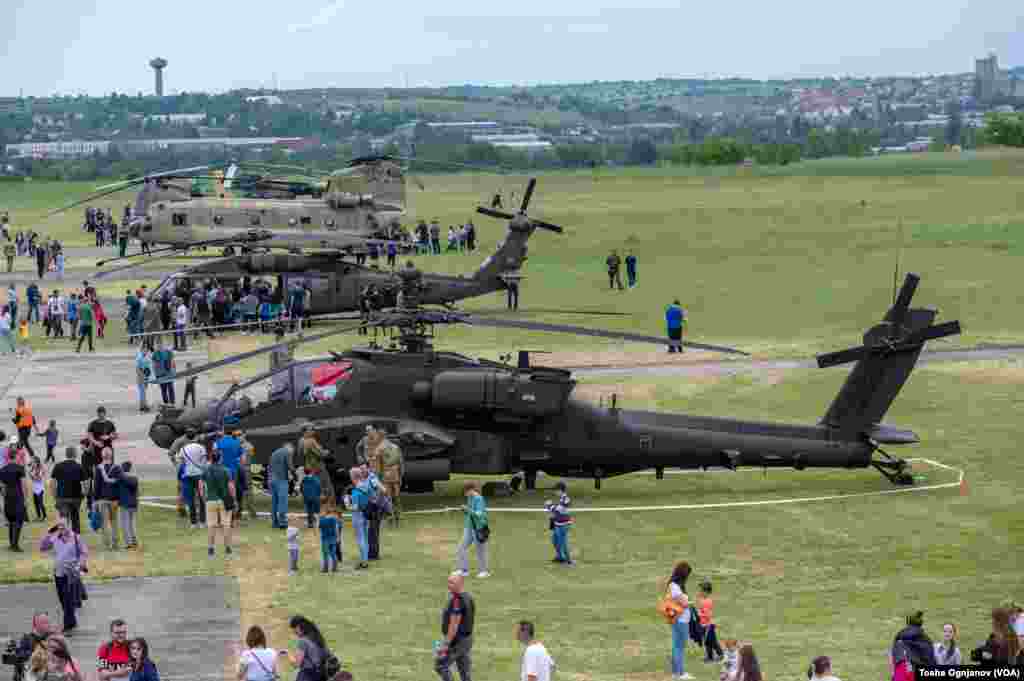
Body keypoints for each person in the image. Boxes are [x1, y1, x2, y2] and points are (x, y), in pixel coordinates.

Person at [39, 517, 88, 635]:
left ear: (69, 525)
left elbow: (84, 552)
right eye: (59, 526)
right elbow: (42, 547)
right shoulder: (55, 538)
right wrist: (49, 533)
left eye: (63, 525)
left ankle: (67, 627)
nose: (61, 528)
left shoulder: (76, 537)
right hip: (58, 573)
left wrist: (81, 564)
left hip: (71, 574)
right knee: (63, 600)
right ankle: (72, 622)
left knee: (68, 600)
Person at [436, 572, 475, 681]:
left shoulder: (457, 601)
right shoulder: (469, 597)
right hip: (467, 640)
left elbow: (454, 626)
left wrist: (445, 644)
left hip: (457, 642)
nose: (449, 585)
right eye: (448, 582)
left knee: (441, 665)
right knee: (464, 672)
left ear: (460, 583)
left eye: (452, 583)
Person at [200, 449, 235, 557]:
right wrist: (233, 498)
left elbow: (200, 485)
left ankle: (211, 548)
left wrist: (203, 497)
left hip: (210, 500)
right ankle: (228, 548)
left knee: (211, 525)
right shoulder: (226, 470)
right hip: (223, 500)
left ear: (211, 458)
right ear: (220, 459)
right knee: (226, 524)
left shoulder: (206, 470)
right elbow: (231, 487)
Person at [454, 481, 490, 578]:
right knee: (461, 547)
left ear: (471, 490)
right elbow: (471, 513)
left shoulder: (479, 499)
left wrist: (468, 510)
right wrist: (465, 511)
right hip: (469, 527)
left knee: (480, 550)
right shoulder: (470, 498)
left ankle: (484, 571)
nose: (465, 494)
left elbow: (479, 514)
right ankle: (463, 570)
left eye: (466, 492)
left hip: (478, 528)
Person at [666, 561, 693, 680]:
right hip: (680, 619)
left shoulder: (674, 585)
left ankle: (676, 672)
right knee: (679, 646)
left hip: (680, 619)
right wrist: (689, 602)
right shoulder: (675, 586)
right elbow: (683, 602)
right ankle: (680, 673)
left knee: (677, 645)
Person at [890, 611, 936, 680]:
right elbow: (930, 660)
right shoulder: (925, 640)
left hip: (900, 671)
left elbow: (893, 660)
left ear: (907, 623)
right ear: (921, 624)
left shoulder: (898, 639)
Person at [281, 616, 329, 681]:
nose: (294, 632)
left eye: (294, 629)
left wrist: (287, 653)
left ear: (298, 627)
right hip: (321, 675)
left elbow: (296, 664)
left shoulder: (303, 641)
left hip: (307, 676)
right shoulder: (317, 638)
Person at [1, 446, 30, 551]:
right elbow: (23, 484)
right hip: (18, 496)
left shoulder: (2, 469)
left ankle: (11, 544)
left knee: (11, 520)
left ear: (8, 457)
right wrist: (26, 498)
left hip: (8, 496)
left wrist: (4, 496)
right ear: (16, 456)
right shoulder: (20, 468)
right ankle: (15, 545)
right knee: (18, 521)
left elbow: (2, 487)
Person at [50, 447, 85, 535]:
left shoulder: (58, 466)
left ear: (66, 454)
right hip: (76, 497)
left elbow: (53, 482)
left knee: (63, 519)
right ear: (75, 454)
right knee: (75, 518)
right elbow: (85, 483)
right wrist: (84, 493)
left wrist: (54, 495)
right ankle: (76, 538)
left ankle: (63, 539)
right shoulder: (79, 466)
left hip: (62, 497)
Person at [92, 447, 121, 551]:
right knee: (114, 522)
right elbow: (119, 485)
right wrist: (119, 499)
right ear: (111, 455)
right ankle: (115, 543)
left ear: (102, 455)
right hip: (114, 500)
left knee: (104, 523)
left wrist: (94, 500)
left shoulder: (99, 468)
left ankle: (107, 544)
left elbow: (96, 486)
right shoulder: (117, 468)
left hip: (102, 499)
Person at [179, 437, 207, 528]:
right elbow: (204, 461)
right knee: (202, 498)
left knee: (190, 499)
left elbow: (182, 462)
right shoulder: (201, 447)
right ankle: (202, 522)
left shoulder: (183, 448)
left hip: (188, 475)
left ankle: (193, 523)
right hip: (199, 475)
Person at [543, 482, 574, 566]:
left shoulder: (566, 499)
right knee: (555, 540)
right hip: (558, 524)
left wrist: (549, 505)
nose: (555, 492)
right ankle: (560, 557)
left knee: (563, 543)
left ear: (560, 490)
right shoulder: (561, 498)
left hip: (563, 525)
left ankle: (569, 561)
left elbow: (558, 510)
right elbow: (557, 510)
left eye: (556, 490)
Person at [348, 466, 371, 569]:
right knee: (365, 538)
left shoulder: (355, 491)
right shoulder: (367, 486)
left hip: (358, 516)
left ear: (353, 477)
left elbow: (355, 507)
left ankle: (363, 561)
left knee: (360, 538)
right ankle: (365, 559)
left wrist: (347, 504)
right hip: (367, 514)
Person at [269, 444, 294, 529]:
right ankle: (282, 523)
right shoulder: (287, 452)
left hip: (271, 480)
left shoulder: (274, 453)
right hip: (281, 479)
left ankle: (274, 522)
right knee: (282, 502)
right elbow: (290, 466)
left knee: (274, 502)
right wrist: (295, 476)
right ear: (290, 448)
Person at [699, 580, 723, 662]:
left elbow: (708, 615)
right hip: (703, 625)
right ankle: (710, 657)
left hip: (708, 626)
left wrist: (699, 615)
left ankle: (720, 654)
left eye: (702, 590)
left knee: (713, 642)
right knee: (707, 642)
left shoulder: (707, 602)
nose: (700, 592)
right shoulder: (702, 600)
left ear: (706, 592)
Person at [117, 462, 139, 550]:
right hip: (133, 504)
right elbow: (137, 492)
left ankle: (128, 543)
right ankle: (134, 540)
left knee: (124, 524)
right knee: (132, 523)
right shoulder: (135, 478)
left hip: (124, 504)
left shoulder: (121, 479)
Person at [319, 507, 341, 573]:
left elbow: (319, 527)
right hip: (333, 539)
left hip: (325, 539)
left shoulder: (322, 520)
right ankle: (335, 568)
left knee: (325, 554)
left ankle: (325, 568)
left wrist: (319, 519)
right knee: (333, 554)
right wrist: (338, 537)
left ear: (324, 512)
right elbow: (336, 528)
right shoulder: (334, 519)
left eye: (321, 512)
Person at [29, 455, 47, 521]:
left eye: (33, 461)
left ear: (36, 462)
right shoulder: (32, 468)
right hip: (34, 489)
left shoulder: (40, 469)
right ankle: (38, 516)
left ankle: (44, 516)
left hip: (40, 489)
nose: (32, 463)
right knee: (35, 503)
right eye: (31, 462)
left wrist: (32, 475)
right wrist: (31, 475)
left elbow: (39, 478)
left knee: (41, 503)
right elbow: (32, 478)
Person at [135, 347, 153, 414]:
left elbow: (148, 367)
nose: (145, 351)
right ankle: (143, 406)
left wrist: (147, 376)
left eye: (146, 350)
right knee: (142, 392)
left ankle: (143, 405)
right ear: (141, 350)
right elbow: (137, 369)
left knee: (143, 392)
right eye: (144, 350)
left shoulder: (146, 357)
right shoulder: (139, 358)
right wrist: (142, 377)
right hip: (141, 377)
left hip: (146, 377)